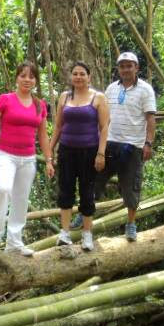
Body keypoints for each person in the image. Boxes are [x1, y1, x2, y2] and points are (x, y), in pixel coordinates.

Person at [0, 61, 54, 256]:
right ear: (17, 78)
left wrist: (48, 160)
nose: (27, 80)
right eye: (23, 75)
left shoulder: (40, 105)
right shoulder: (5, 100)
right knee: (3, 188)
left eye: (31, 76)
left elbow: (43, 135)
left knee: (21, 199)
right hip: (5, 155)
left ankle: (14, 243)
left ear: (36, 80)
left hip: (28, 159)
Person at [95, 51, 156, 241]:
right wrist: (98, 143)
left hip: (132, 146)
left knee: (131, 186)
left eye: (129, 65)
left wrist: (148, 143)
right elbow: (103, 116)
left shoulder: (145, 90)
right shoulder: (111, 88)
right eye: (122, 66)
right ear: (118, 69)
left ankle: (131, 224)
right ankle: (84, 213)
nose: (125, 69)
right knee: (95, 180)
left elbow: (151, 118)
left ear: (136, 68)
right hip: (110, 143)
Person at [49, 61, 109, 251]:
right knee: (65, 190)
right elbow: (58, 126)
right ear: (71, 77)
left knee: (87, 192)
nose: (78, 77)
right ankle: (65, 233)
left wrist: (101, 153)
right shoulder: (64, 97)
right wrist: (50, 150)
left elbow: (104, 127)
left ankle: (87, 234)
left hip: (89, 151)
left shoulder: (98, 97)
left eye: (82, 73)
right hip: (66, 151)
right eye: (75, 74)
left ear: (89, 77)